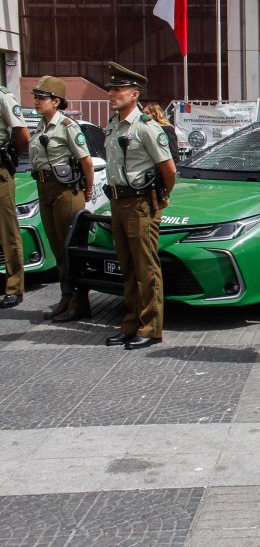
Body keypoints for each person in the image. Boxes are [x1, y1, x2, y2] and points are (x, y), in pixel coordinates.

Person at [102, 62, 176, 349]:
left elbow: (168, 169)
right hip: (118, 201)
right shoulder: (113, 124)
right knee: (128, 266)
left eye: (118, 89)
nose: (112, 94)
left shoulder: (146, 127)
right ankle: (131, 322)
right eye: (111, 89)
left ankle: (151, 327)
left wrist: (161, 196)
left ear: (134, 94)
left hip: (141, 203)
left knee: (146, 267)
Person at [30, 76, 94, 322]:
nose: (37, 101)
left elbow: (86, 162)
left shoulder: (67, 126)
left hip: (66, 190)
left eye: (42, 97)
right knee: (58, 248)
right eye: (35, 97)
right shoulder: (41, 126)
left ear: (56, 101)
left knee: (70, 248)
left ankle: (79, 302)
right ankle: (66, 298)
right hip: (45, 188)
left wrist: (87, 192)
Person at [0, 84, 28, 309]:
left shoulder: (3, 97)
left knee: (7, 229)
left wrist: (10, 156)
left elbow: (22, 134)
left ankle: (14, 287)